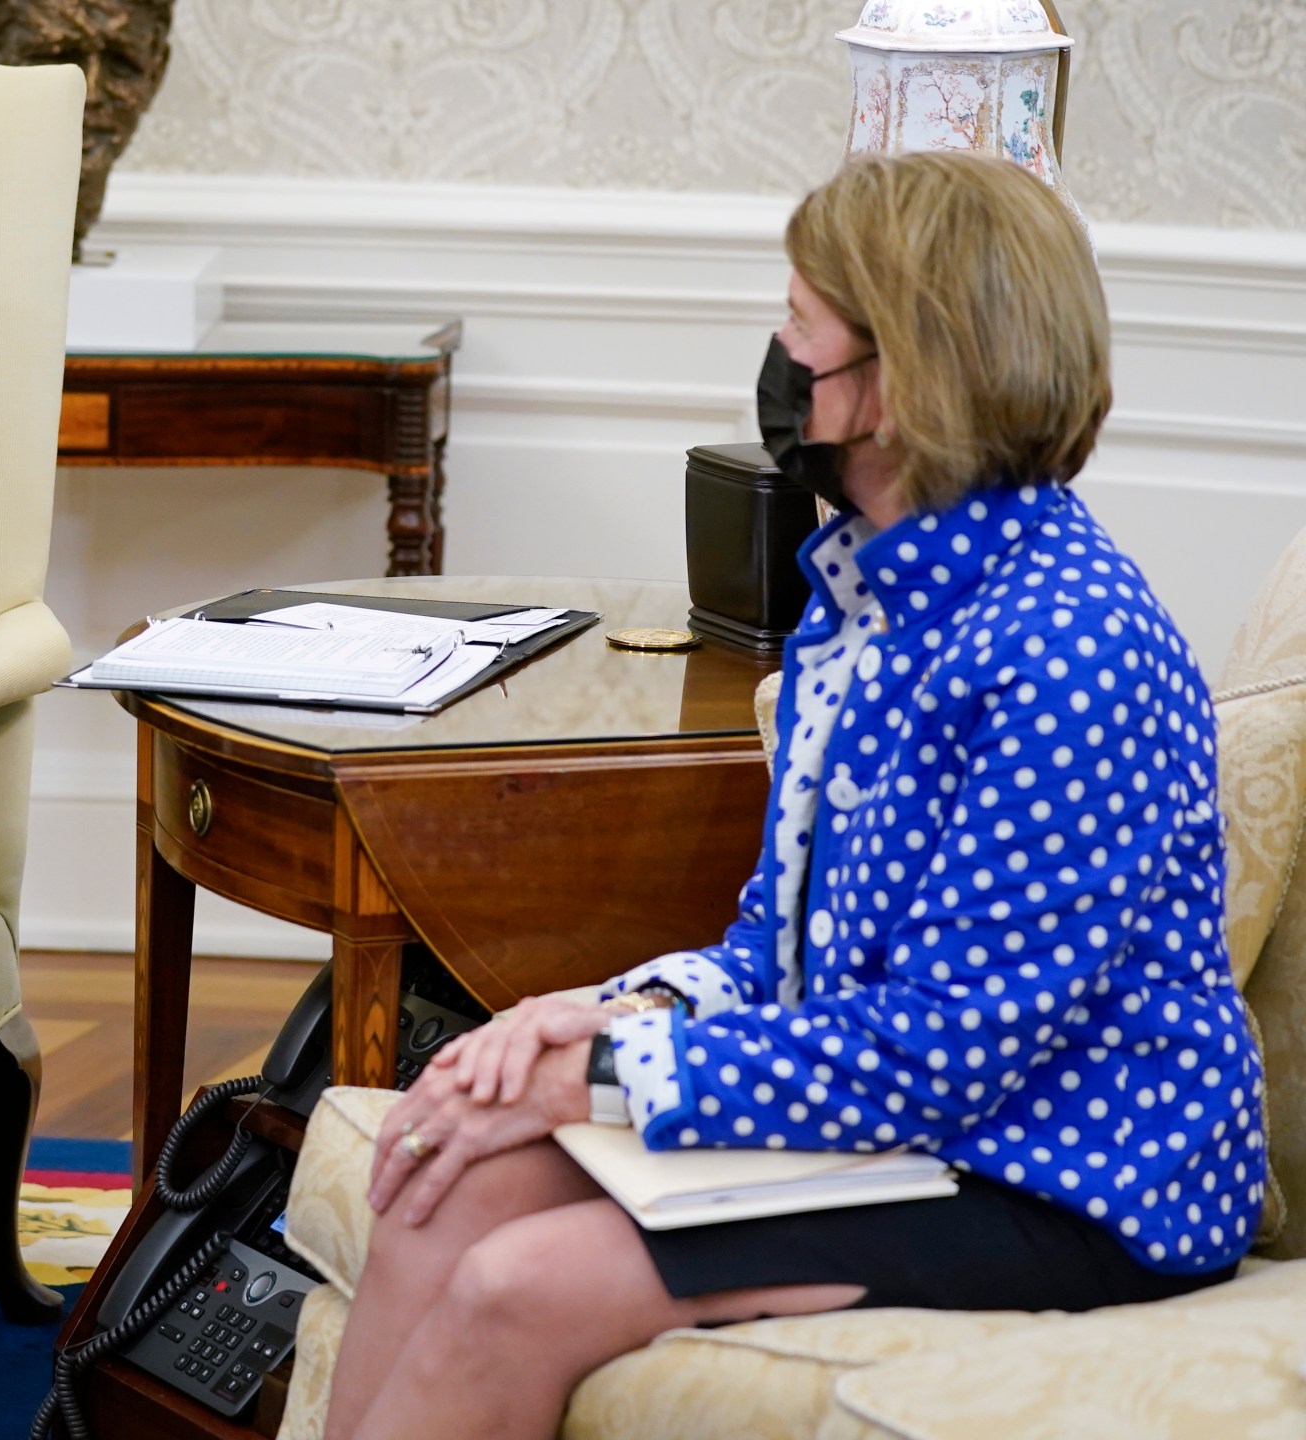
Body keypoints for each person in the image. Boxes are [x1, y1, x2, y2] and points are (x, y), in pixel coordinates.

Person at [322, 150, 1269, 1440]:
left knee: (518, 1287)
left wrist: (604, 1072)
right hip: (914, 1122)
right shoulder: (870, 595)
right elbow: (781, 942)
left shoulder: (1064, 654)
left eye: (794, 326)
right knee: (450, 1184)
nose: (773, 357)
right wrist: (588, 1017)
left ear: (891, 385)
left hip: (1069, 1181)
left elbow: (943, 1053)